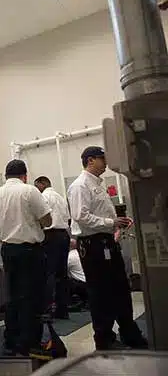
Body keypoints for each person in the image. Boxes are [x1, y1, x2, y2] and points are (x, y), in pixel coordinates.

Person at [67, 146, 147, 350]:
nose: (106, 163)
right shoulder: (80, 185)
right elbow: (80, 216)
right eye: (102, 159)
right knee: (101, 294)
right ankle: (104, 339)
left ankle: (129, 333)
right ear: (90, 160)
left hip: (105, 242)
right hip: (93, 246)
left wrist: (115, 224)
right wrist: (110, 223)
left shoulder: (97, 184)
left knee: (120, 289)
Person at [0, 160, 52, 356]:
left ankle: (11, 341)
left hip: (7, 250)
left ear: (6, 176)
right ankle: (30, 343)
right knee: (32, 297)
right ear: (24, 175)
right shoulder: (29, 191)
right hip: (30, 251)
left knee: (13, 297)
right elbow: (47, 221)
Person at [34, 176, 71, 319]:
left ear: (43, 184)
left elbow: (42, 218)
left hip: (50, 235)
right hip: (63, 235)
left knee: (48, 273)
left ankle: (47, 309)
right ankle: (63, 309)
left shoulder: (43, 197)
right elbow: (67, 218)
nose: (36, 189)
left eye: (37, 185)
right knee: (62, 274)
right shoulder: (60, 197)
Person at [67, 238, 88, 308]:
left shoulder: (69, 256)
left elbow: (63, 271)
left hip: (80, 285)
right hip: (89, 283)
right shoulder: (83, 253)